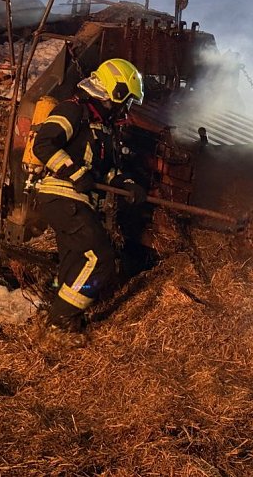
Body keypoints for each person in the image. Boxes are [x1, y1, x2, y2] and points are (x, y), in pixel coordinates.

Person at [32, 58, 147, 332]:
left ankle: (60, 323)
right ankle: (62, 318)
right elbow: (43, 144)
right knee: (101, 259)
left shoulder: (105, 127)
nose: (127, 108)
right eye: (127, 100)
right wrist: (73, 171)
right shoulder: (73, 110)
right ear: (114, 92)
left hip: (79, 202)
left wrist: (128, 184)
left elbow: (107, 172)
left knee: (74, 262)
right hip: (61, 197)